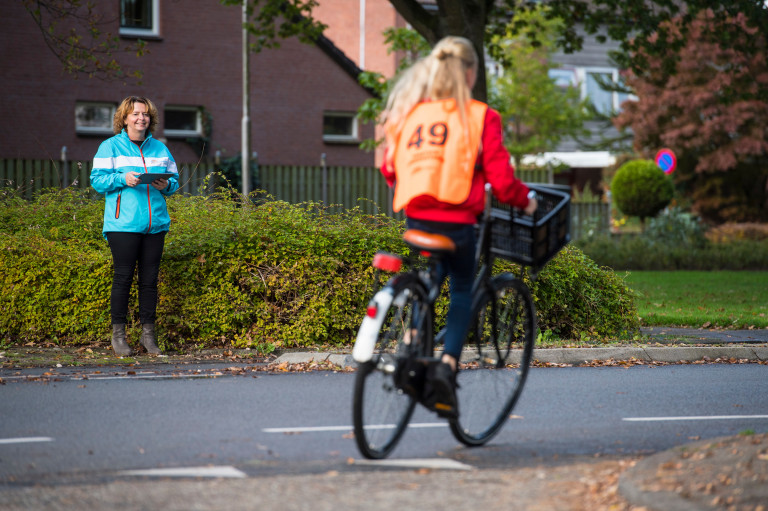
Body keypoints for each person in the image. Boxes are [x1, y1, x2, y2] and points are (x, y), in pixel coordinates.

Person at [379, 36, 537, 418]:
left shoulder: (413, 112)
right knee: (463, 285)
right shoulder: (481, 116)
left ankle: (413, 338)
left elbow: (389, 168)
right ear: (469, 72)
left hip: (415, 218)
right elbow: (501, 182)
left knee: (433, 277)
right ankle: (447, 367)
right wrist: (525, 200)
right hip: (458, 223)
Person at [90, 96, 179, 356]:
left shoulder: (160, 149)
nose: (142, 118)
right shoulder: (110, 147)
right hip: (123, 224)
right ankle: (119, 337)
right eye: (136, 114)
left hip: (156, 225)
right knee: (123, 278)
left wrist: (167, 186)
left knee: (150, 281)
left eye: (146, 114)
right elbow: (97, 181)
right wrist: (122, 178)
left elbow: (173, 182)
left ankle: (148, 337)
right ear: (125, 118)